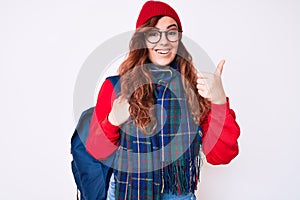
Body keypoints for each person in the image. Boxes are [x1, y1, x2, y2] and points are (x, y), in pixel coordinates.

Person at [86, 1, 240, 199]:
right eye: (153, 33)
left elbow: (221, 156)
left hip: (178, 193)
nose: (164, 41)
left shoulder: (197, 89)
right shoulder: (117, 87)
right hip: (127, 192)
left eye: (171, 32)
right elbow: (97, 151)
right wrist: (112, 121)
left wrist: (219, 102)